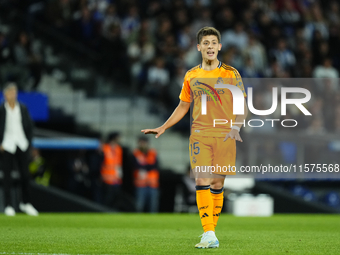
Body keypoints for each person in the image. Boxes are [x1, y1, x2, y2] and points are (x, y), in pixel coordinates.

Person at [142, 27, 248, 248]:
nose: (210, 47)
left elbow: (242, 105)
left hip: (225, 134)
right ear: (199, 47)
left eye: (213, 43)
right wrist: (164, 127)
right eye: (205, 43)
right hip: (200, 134)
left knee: (218, 184)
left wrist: (236, 127)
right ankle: (208, 233)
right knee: (202, 180)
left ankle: (211, 233)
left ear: (219, 46)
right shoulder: (191, 75)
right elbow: (183, 106)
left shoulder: (231, 73)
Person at [0, 83, 38, 216]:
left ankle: (26, 203)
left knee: (25, 175)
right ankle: (8, 205)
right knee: (7, 176)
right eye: (10, 92)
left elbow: (29, 127)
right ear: (5, 95)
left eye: (15, 92)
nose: (13, 95)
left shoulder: (22, 108)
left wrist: (28, 142)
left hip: (21, 144)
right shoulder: (1, 110)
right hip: (7, 145)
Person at [133, 136, 159, 213]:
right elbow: (135, 165)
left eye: (144, 143)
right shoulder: (135, 153)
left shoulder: (153, 153)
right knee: (139, 206)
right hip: (140, 183)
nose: (142, 144)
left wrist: (143, 166)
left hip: (152, 183)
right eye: (141, 143)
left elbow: (155, 165)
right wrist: (148, 166)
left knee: (153, 206)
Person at [100, 132, 123, 208]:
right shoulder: (105, 148)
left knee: (115, 198)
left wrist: (119, 176)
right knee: (106, 198)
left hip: (116, 179)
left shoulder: (118, 149)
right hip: (106, 178)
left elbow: (118, 164)